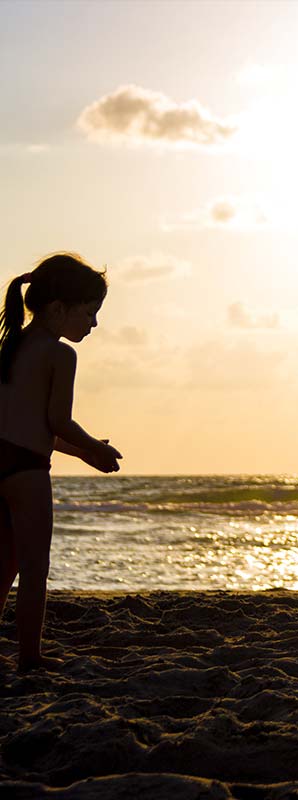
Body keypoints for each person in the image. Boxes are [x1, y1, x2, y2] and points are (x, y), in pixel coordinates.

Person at [0, 253, 122, 672]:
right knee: (34, 568)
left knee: (4, 564)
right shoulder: (60, 355)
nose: (93, 324)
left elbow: (33, 428)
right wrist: (96, 447)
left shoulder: (10, 346)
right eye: (89, 313)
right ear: (58, 308)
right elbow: (58, 422)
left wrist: (83, 451)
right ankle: (30, 657)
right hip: (27, 472)